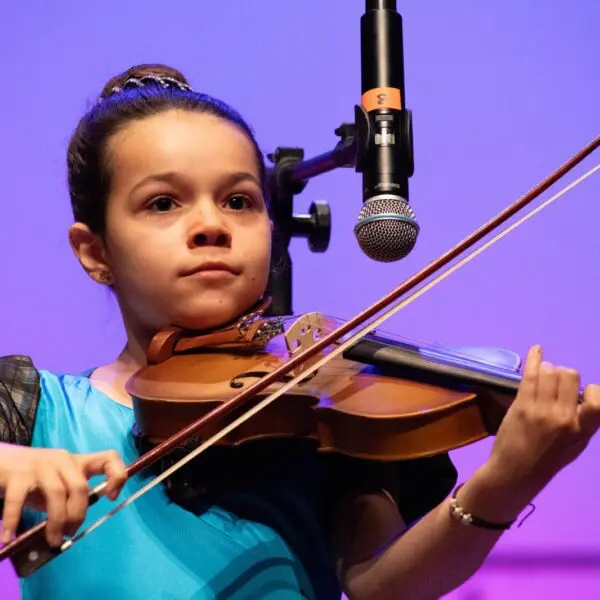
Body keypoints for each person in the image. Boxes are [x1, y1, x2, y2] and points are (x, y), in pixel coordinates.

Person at [0, 64, 599, 600]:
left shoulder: (324, 408)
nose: (211, 224)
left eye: (239, 200)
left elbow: (381, 586)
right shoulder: (36, 408)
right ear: (94, 250)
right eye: (162, 204)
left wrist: (506, 482)